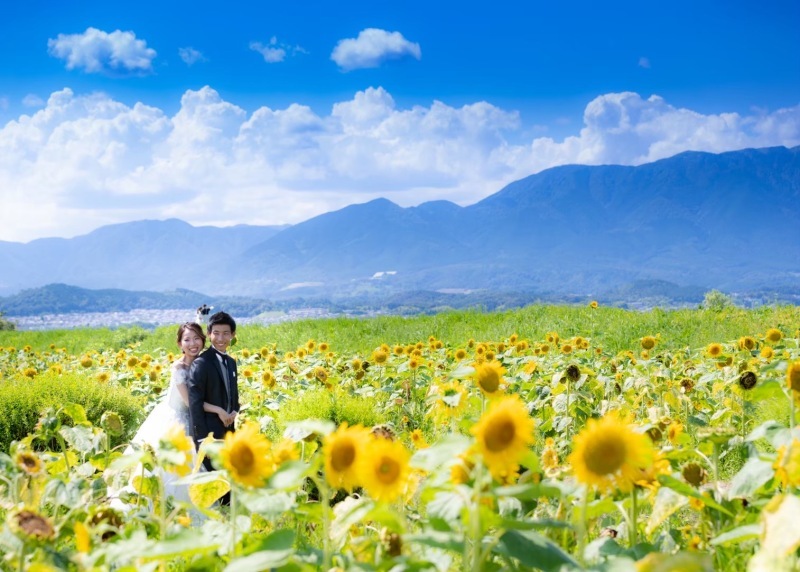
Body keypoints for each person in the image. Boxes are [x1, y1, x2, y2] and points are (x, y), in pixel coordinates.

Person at [124, 322, 230, 503]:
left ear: (203, 341)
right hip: (175, 420)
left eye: (197, 338)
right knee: (171, 466)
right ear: (180, 344)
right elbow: (191, 402)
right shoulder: (179, 369)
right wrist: (218, 410)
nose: (192, 343)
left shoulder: (203, 364)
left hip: (195, 420)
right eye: (187, 339)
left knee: (195, 464)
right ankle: (166, 506)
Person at [188, 311, 239, 474]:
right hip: (209, 434)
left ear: (232, 335)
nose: (221, 338)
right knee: (214, 481)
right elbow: (195, 403)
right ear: (209, 335)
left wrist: (234, 411)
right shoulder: (201, 363)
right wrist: (203, 440)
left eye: (226, 334)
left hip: (228, 431)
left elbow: (234, 395)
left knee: (228, 478)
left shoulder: (231, 362)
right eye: (216, 333)